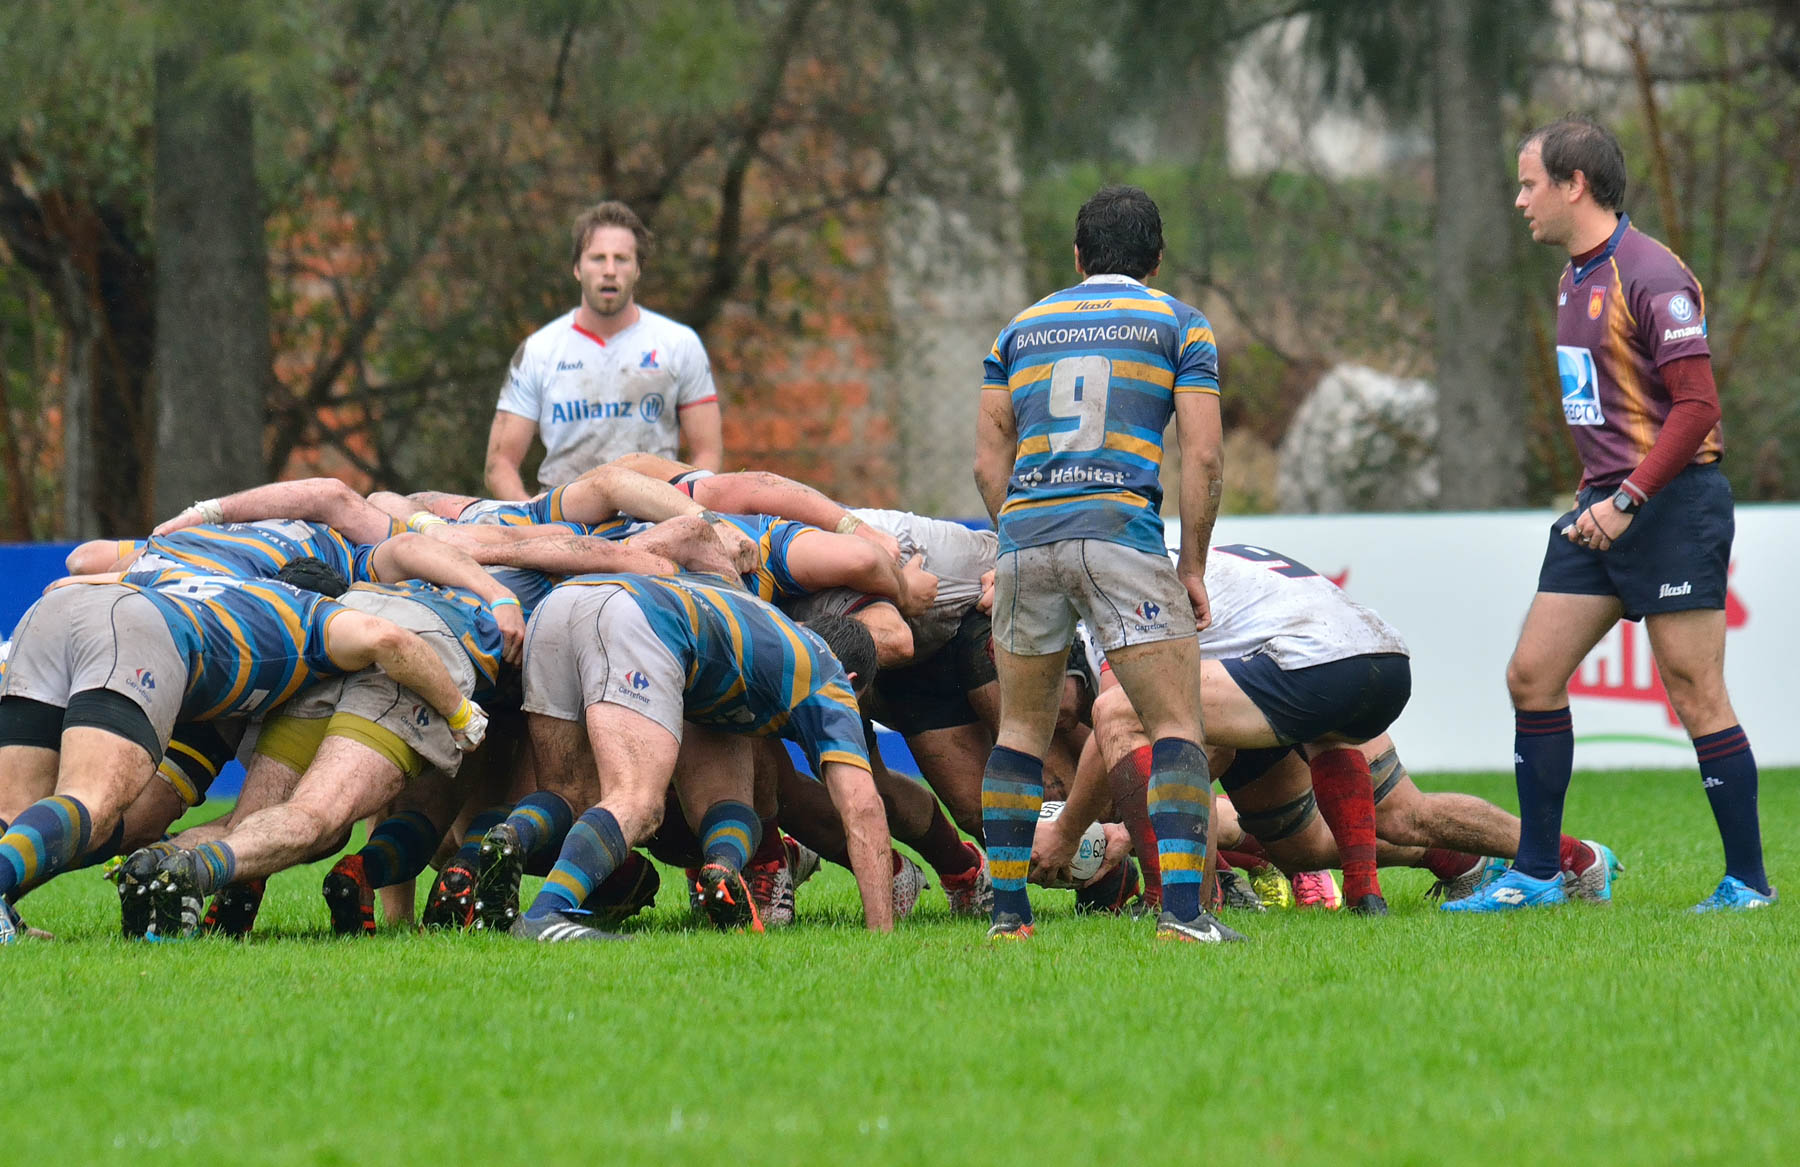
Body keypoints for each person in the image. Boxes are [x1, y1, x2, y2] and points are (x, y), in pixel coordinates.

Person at [1449, 116, 1772, 914]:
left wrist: (1629, 498)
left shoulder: (1651, 275)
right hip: (1602, 507)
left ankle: (1748, 884)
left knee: (1695, 691)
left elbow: (1698, 408)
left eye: (1530, 184)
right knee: (1532, 674)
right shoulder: (1574, 277)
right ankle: (1537, 874)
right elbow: (1606, 405)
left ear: (1575, 185)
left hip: (1669, 505)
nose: (1520, 200)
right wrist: (1599, 489)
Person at [972, 183, 1236, 944]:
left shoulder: (1018, 330)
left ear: (1078, 256)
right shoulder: (1179, 324)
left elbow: (988, 464)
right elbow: (1204, 456)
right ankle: (1183, 914)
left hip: (1027, 534)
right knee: (1176, 723)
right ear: (1157, 258)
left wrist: (1017, 534)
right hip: (1120, 530)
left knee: (1019, 731)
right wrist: (1192, 565)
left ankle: (1009, 917)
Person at [485, 201, 722, 498]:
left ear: (638, 269)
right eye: (598, 258)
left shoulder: (679, 344)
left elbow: (707, 454)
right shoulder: (538, 351)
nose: (610, 271)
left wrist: (682, 510)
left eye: (621, 259)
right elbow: (499, 464)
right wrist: (533, 516)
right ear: (577, 268)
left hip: (655, 514)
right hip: (563, 516)